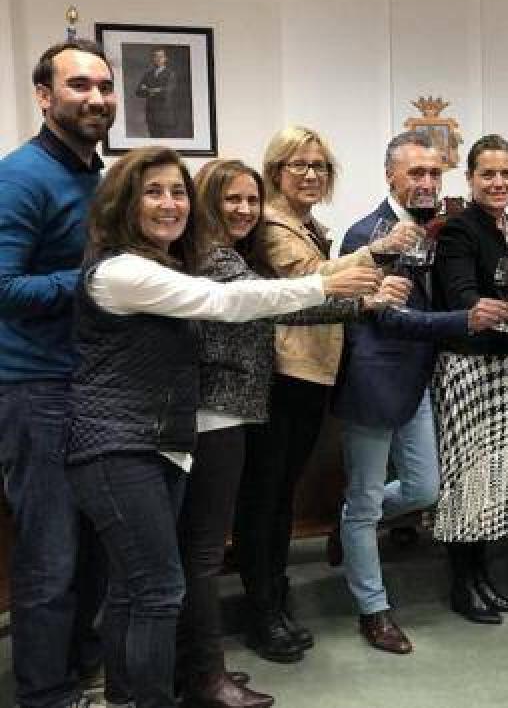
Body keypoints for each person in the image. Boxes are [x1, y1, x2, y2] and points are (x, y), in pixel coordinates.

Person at [65, 146, 380, 708]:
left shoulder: (160, 265)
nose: (169, 203)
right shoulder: (121, 270)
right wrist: (326, 285)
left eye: (177, 191)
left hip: (159, 442)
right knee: (159, 589)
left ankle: (127, 696)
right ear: (122, 203)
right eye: (153, 192)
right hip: (119, 445)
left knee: (138, 590)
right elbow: (225, 300)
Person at [177, 159, 407, 706]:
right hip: (218, 409)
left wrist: (355, 300)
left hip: (245, 404)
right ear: (208, 201)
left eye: (250, 201)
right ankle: (219, 653)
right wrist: (349, 290)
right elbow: (274, 302)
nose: (243, 209)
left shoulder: (238, 252)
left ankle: (248, 627)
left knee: (266, 508)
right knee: (225, 532)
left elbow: (277, 306)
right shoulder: (212, 257)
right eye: (231, 199)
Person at [231, 126, 419, 661]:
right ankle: (261, 611)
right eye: (299, 165)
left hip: (311, 372)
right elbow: (313, 282)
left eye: (319, 166)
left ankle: (273, 600)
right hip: (283, 374)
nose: (311, 174)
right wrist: (377, 253)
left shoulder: (307, 224)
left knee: (279, 497)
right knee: (263, 498)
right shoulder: (270, 225)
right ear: (276, 172)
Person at [333, 132, 508, 653]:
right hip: (375, 382)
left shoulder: (433, 231)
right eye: (416, 173)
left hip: (419, 383)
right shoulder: (366, 235)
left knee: (425, 490)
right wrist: (466, 318)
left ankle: (349, 522)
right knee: (366, 500)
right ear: (390, 175)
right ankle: (374, 611)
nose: (428, 182)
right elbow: (388, 317)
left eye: (435, 174)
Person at [0, 39, 115, 708]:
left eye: (103, 86)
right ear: (45, 97)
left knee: (96, 545)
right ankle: (43, 693)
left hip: (92, 386)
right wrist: (100, 281)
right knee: (51, 556)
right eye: (79, 86)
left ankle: (81, 668)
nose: (96, 98)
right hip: (35, 390)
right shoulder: (20, 177)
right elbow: (5, 287)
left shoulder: (96, 178)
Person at [432, 133, 508, 625]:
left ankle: (483, 577)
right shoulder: (458, 229)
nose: (498, 182)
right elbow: (462, 299)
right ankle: (461, 584)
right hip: (467, 365)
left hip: (504, 363)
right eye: (487, 174)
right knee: (465, 477)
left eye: (506, 173)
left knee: (493, 477)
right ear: (470, 179)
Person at [135, 47, 177, 137]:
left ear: (165, 59)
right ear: (153, 59)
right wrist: (155, 90)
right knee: (153, 141)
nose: (158, 59)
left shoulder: (170, 74)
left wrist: (149, 89)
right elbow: (138, 92)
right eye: (155, 57)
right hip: (151, 114)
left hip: (164, 114)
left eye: (160, 57)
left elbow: (168, 91)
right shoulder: (148, 74)